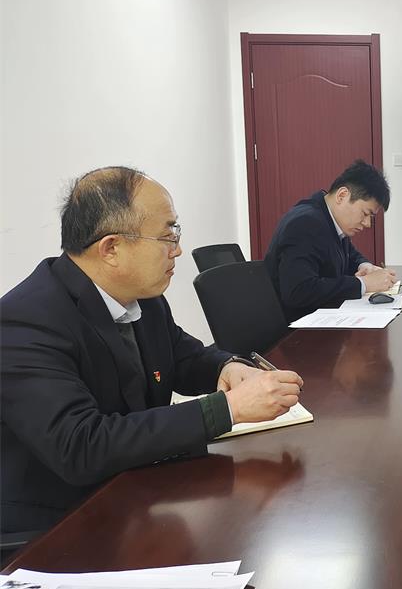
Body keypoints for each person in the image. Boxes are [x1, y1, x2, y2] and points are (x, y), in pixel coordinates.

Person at [0, 167, 304, 534]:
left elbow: (181, 356)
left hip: (137, 488)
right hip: (62, 522)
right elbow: (81, 446)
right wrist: (227, 409)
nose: (177, 250)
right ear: (111, 248)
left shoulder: (143, 297)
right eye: (166, 236)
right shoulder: (25, 321)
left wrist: (226, 368)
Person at [265, 160, 397, 323]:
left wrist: (364, 266)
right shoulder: (305, 224)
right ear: (342, 195)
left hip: (322, 319)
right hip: (296, 329)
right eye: (365, 213)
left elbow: (350, 255)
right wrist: (363, 284)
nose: (367, 223)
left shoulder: (329, 219)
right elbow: (298, 290)